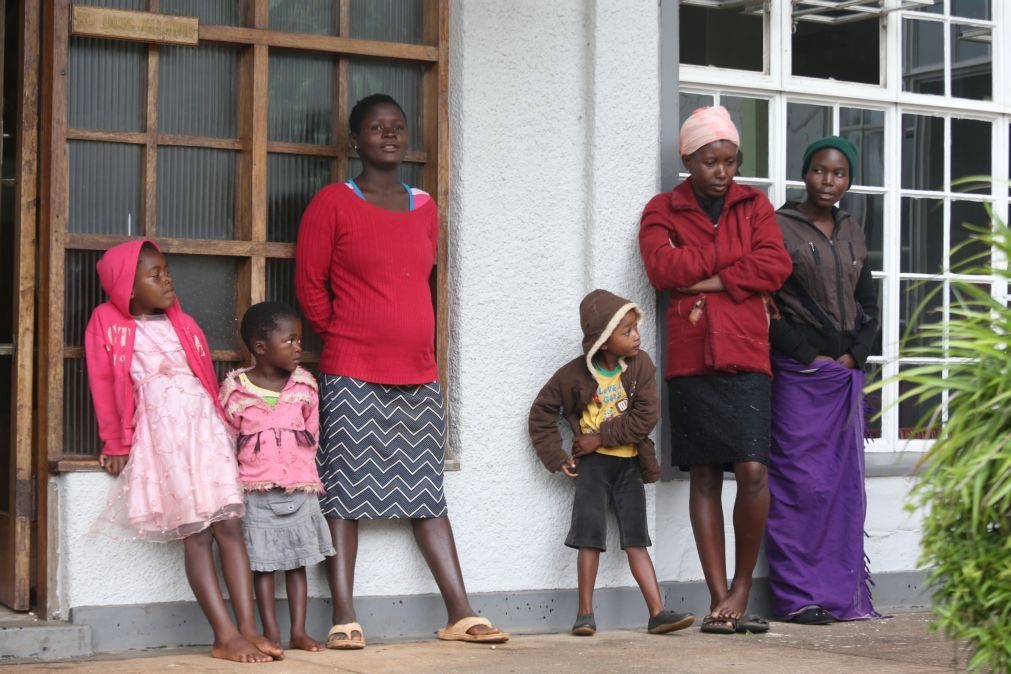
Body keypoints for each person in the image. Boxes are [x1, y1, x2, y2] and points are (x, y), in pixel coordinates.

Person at [295, 93, 508, 648]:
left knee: (426, 492)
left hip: (418, 372)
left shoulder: (425, 206)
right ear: (355, 142)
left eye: (397, 127)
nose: (388, 135)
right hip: (351, 369)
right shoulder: (333, 203)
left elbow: (419, 278)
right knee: (343, 494)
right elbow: (309, 287)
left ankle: (460, 612)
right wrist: (342, 333)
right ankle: (344, 616)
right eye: (375, 128)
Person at [85, 240, 284, 663]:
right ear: (127, 286)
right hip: (165, 438)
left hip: (203, 432)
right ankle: (224, 634)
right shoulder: (106, 322)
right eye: (154, 275)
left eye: (167, 271)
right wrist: (115, 442)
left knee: (229, 526)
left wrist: (226, 432)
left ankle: (247, 628)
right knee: (198, 532)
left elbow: (205, 382)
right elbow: (104, 383)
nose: (167, 279)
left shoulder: (184, 322)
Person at [638, 106, 792, 635]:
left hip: (748, 352)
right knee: (704, 474)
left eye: (729, 161)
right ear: (688, 160)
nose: (722, 172)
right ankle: (717, 594)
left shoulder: (755, 205)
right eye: (710, 161)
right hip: (693, 356)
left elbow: (777, 264)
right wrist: (734, 270)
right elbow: (662, 268)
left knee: (752, 470)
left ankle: (743, 586)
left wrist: (704, 278)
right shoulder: (663, 208)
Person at [528, 289, 695, 637]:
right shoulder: (573, 375)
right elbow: (541, 412)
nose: (636, 336)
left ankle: (657, 612)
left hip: (628, 465)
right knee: (589, 537)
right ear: (604, 341)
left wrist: (599, 437)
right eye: (627, 331)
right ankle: (584, 615)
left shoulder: (641, 366)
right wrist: (558, 456)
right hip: (592, 468)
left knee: (637, 539)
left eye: (636, 328)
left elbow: (646, 417)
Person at [767, 136, 881, 625]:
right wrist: (811, 356)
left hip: (846, 378)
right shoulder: (778, 227)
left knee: (841, 491)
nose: (828, 181)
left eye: (838, 173)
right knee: (800, 485)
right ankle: (798, 597)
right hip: (801, 376)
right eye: (819, 171)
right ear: (804, 173)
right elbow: (766, 306)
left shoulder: (853, 229)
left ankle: (839, 595)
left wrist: (855, 355)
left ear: (849, 179)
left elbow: (869, 303)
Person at [219, 302, 336, 650]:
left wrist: (298, 468)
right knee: (264, 566)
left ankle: (298, 631)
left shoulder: (304, 386)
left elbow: (312, 433)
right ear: (260, 347)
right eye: (290, 340)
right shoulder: (236, 390)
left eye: (299, 340)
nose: (299, 347)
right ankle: (269, 632)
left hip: (299, 488)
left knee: (298, 562)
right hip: (256, 492)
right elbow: (226, 439)